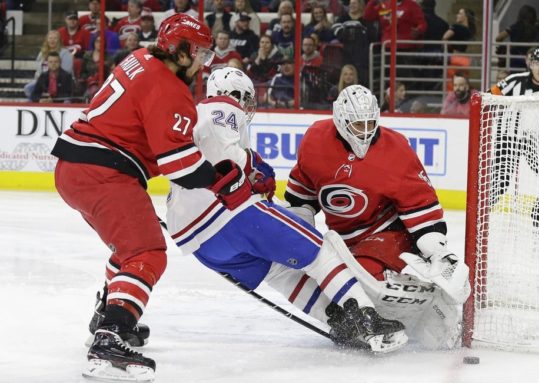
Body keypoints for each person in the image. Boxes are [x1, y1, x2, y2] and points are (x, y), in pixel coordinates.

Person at [166, 67, 408, 354]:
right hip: (228, 214)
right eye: (244, 97)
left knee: (279, 271)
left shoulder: (193, 120)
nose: (245, 104)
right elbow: (226, 156)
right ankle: (367, 318)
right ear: (231, 94)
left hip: (196, 240)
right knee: (319, 250)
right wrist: (253, 166)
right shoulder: (221, 106)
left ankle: (338, 322)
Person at [50, 14, 231, 381]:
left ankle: (108, 314)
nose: (202, 62)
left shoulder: (139, 61)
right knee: (146, 252)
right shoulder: (169, 88)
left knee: (127, 248)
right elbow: (180, 166)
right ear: (179, 51)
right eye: (199, 52)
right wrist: (222, 179)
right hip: (102, 172)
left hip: (75, 167)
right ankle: (110, 337)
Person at [284, 85, 470, 349]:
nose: (365, 131)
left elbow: (421, 205)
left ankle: (420, 310)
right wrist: (298, 231)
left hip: (387, 230)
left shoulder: (396, 149)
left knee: (364, 275)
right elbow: (302, 194)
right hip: (345, 240)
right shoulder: (315, 140)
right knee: (325, 276)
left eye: (370, 123)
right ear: (340, 119)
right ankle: (358, 320)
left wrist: (436, 251)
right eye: (358, 124)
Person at [489, 47, 539, 230]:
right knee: (501, 182)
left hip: (532, 140)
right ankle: (479, 211)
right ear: (530, 64)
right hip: (508, 137)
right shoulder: (515, 80)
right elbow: (489, 96)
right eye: (537, 63)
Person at [24, 30, 74, 100]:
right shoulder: (42, 53)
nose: (52, 40)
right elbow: (38, 70)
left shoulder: (65, 53)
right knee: (29, 89)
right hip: (44, 79)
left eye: (55, 38)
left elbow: (66, 71)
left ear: (59, 40)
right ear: (47, 40)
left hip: (60, 80)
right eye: (50, 38)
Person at [495, 5, 539, 72]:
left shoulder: (515, 26)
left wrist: (505, 46)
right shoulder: (536, 29)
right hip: (530, 59)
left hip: (514, 59)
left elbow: (498, 38)